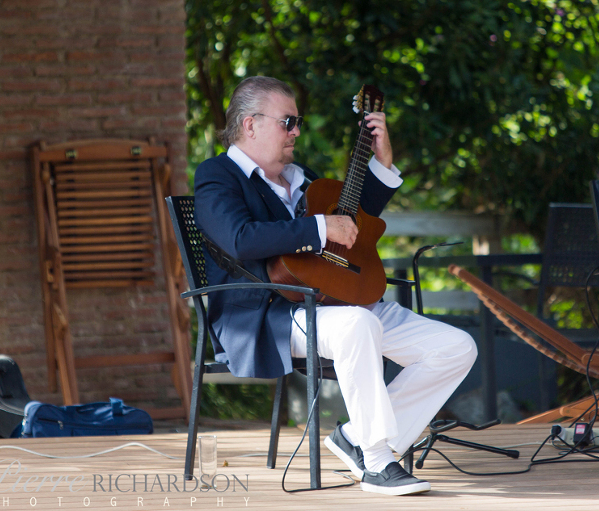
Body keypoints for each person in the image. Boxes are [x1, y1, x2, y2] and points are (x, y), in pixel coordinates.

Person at [194, 76, 477, 496]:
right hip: (266, 312)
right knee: (356, 326)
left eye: (298, 121)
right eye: (287, 121)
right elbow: (240, 238)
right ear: (249, 124)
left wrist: (380, 164)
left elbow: (354, 223)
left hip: (332, 299)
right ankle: (378, 460)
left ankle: (355, 438)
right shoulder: (218, 175)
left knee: (455, 347)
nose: (296, 131)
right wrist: (319, 226)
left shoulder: (302, 177)